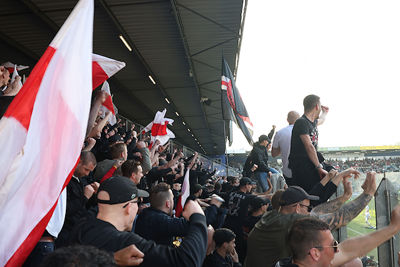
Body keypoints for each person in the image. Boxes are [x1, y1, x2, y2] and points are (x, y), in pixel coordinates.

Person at [244, 172, 377, 267]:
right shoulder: (291, 222)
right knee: (353, 263)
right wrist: (368, 194)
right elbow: (338, 218)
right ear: (297, 207)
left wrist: (344, 197)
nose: (309, 211)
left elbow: (316, 212)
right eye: (306, 207)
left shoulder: (273, 216)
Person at [69, 176, 208, 267]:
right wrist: (198, 217)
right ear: (129, 207)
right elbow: (187, 262)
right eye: (137, 202)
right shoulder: (126, 244)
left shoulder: (81, 225)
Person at [276, 208, 400, 267]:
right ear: (315, 253)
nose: (338, 249)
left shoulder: (298, 261)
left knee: (353, 262)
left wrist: (393, 228)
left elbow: (348, 249)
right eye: (334, 245)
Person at [288, 94, 331, 193]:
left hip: (310, 166)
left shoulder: (312, 122)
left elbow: (322, 120)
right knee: (308, 196)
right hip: (303, 168)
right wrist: (319, 167)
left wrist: (325, 112)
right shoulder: (301, 122)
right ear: (316, 106)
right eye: (320, 106)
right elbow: (309, 146)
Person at [55, 151, 98, 248]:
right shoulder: (65, 180)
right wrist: (85, 197)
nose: (87, 174)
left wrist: (95, 194)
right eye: (86, 169)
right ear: (78, 162)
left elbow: (86, 207)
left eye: (89, 171)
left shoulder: (81, 180)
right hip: (63, 232)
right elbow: (65, 209)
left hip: (74, 231)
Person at [271, 111, 300, 186]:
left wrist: (284, 148)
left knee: (292, 194)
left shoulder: (280, 133)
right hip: (303, 171)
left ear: (287, 120)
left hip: (288, 172)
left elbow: (274, 154)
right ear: (299, 119)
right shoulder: (306, 131)